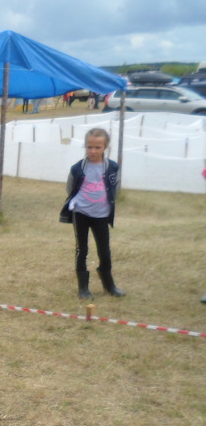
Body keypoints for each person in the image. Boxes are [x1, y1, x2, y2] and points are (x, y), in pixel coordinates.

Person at [59, 128, 123, 299]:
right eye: (89, 147)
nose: (93, 151)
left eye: (97, 147)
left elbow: (115, 188)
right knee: (82, 249)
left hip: (101, 215)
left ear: (105, 147)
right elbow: (70, 187)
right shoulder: (78, 168)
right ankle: (83, 288)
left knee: (104, 251)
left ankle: (109, 285)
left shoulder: (113, 168)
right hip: (81, 213)